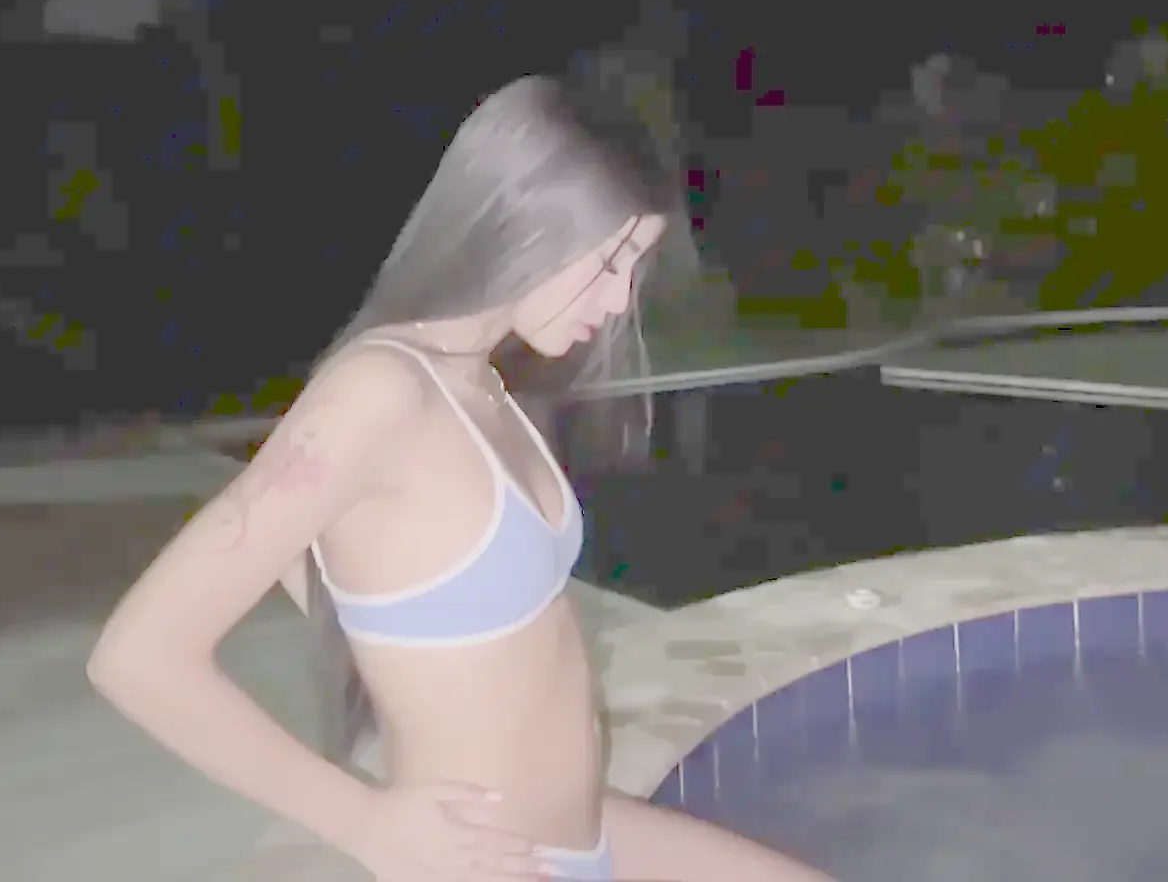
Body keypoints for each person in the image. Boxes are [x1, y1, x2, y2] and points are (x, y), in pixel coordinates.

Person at [86, 76, 833, 882]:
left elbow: (340, 559)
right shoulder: (380, 391)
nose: (621, 300)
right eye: (611, 260)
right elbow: (138, 657)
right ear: (527, 222)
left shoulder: (477, 380)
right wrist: (365, 822)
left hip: (584, 839)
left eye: (635, 267)